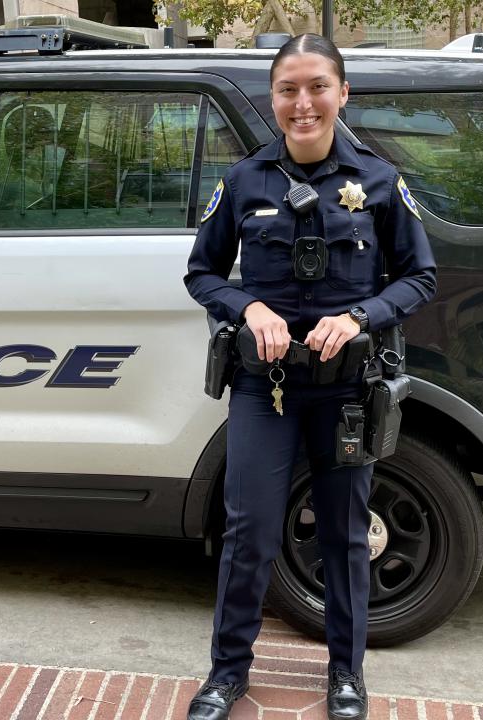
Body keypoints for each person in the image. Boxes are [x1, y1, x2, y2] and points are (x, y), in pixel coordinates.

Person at [182, 34, 437, 720]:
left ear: (342, 93)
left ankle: (346, 676)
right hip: (264, 388)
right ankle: (227, 672)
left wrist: (362, 316)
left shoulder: (380, 183)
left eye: (317, 86)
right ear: (273, 99)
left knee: (344, 533)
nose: (303, 103)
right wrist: (248, 305)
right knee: (250, 531)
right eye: (289, 89)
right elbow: (201, 274)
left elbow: (421, 276)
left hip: (347, 392)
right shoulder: (241, 182)